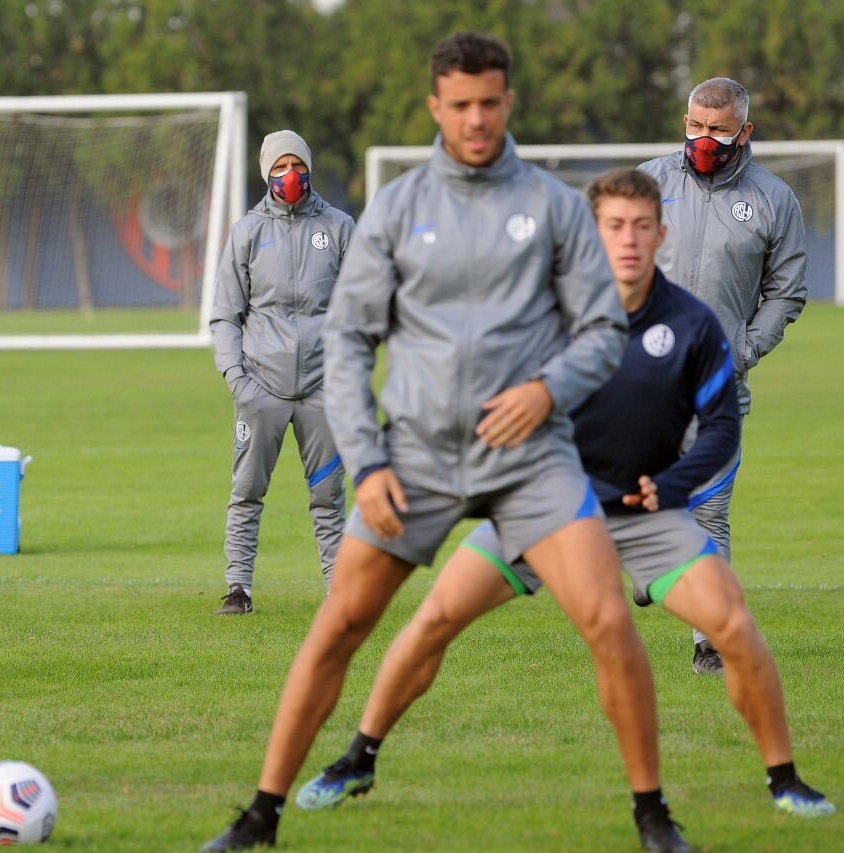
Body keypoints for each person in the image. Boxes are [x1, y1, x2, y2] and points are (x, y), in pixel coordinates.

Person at [203, 33, 686, 852]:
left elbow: (604, 330)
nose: (474, 118)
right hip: (418, 458)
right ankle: (260, 814)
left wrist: (544, 391)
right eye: (458, 104)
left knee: (609, 618)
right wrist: (368, 460)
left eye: (489, 102)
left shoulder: (555, 207)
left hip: (532, 458)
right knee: (339, 625)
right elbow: (352, 341)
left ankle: (652, 815)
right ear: (436, 106)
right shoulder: (396, 210)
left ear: (507, 103)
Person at [295, 169, 834, 839]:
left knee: (731, 622)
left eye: (642, 226)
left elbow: (722, 426)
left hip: (643, 515)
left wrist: (671, 485)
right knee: (434, 616)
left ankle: (782, 779)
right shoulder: (545, 314)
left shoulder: (693, 325)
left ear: (661, 234)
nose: (629, 240)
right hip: (543, 509)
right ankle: (357, 757)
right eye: (614, 226)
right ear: (591, 233)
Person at [638, 78, 808, 675]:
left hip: (718, 384)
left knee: (709, 511)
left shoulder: (773, 200)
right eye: (694, 126)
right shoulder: (647, 183)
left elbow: (787, 291)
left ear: (744, 131)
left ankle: (707, 640)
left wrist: (743, 351)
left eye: (717, 130)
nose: (703, 140)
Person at [209, 130, 355, 614]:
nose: (289, 175)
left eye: (297, 164)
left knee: (330, 497)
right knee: (247, 492)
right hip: (261, 388)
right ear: (266, 172)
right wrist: (237, 379)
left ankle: (340, 592)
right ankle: (238, 588)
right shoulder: (247, 232)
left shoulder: (338, 228)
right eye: (279, 166)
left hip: (322, 389)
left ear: (309, 168)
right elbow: (225, 316)